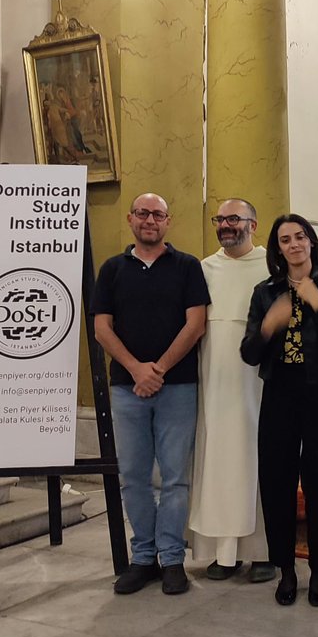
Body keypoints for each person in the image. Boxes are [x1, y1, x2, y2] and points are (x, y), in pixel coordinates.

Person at [93, 193, 209, 596]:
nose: (150, 220)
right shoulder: (112, 269)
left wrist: (157, 369)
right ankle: (142, 557)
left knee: (176, 478)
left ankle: (172, 558)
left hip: (177, 387)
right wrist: (136, 369)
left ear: (168, 222)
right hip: (127, 389)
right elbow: (102, 329)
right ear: (130, 219)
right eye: (143, 213)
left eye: (158, 214)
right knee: (134, 477)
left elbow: (196, 324)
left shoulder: (187, 266)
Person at [241, 214, 318, 607]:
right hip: (280, 396)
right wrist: (268, 325)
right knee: (276, 484)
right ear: (278, 248)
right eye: (285, 239)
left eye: (300, 236)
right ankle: (285, 569)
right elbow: (248, 353)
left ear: (311, 242)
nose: (294, 244)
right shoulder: (265, 291)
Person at [186, 198, 276, 584]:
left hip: (255, 382)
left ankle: (263, 553)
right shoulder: (204, 268)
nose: (226, 225)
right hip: (215, 379)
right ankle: (223, 553)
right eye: (220, 219)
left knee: (257, 460)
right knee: (218, 461)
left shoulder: (271, 266)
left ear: (253, 224)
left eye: (234, 218)